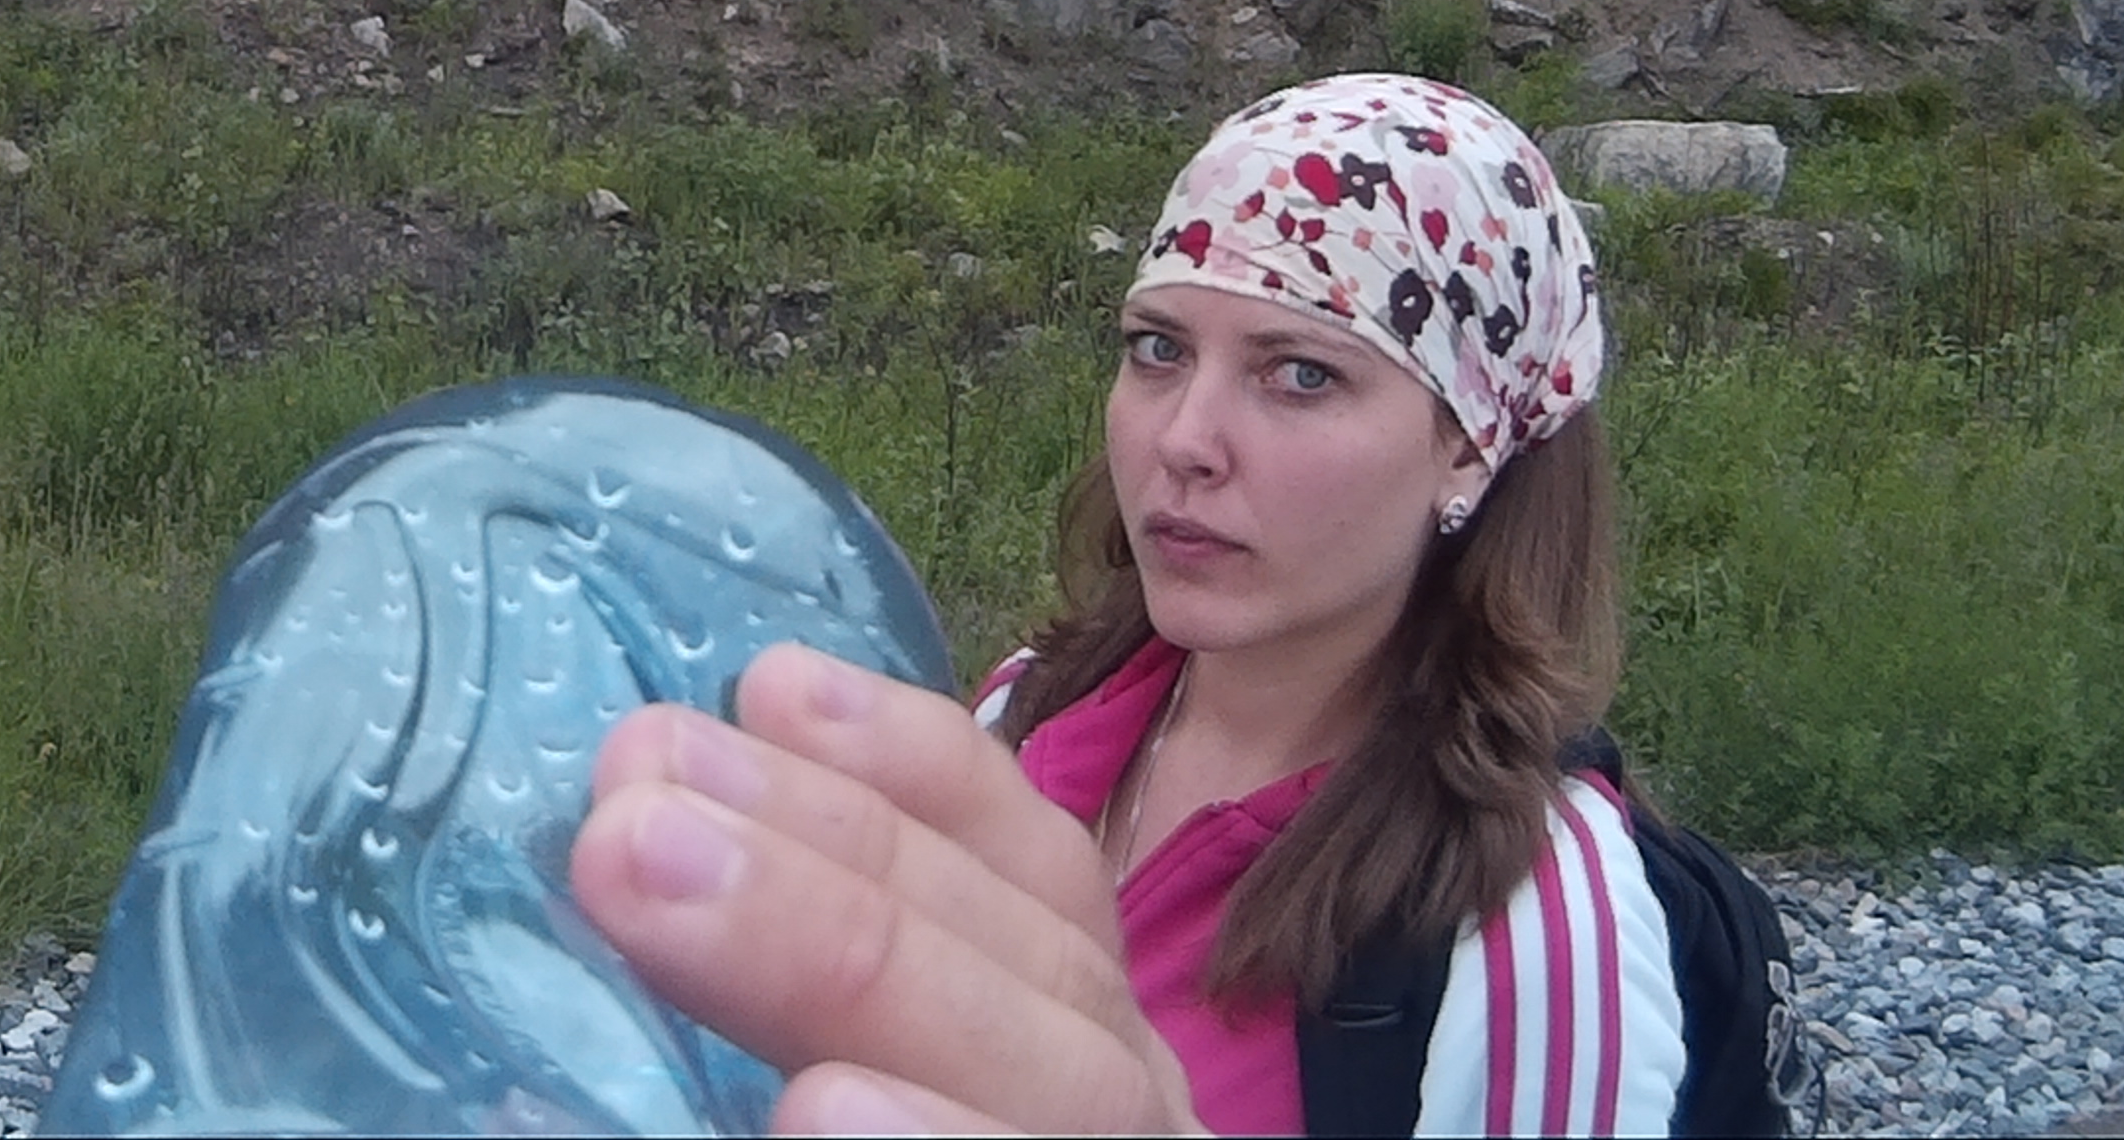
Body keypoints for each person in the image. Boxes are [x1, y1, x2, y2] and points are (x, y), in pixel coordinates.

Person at [571, 73, 1710, 1137]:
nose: (1184, 440)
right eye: (1158, 350)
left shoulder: (1528, 906)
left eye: (1300, 373)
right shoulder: (1028, 715)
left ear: (1467, 445)